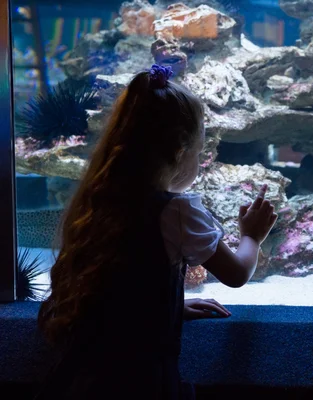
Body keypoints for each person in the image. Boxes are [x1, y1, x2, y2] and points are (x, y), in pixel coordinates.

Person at [35, 65, 278, 400]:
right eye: (200, 150)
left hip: (80, 378)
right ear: (180, 151)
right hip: (142, 382)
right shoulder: (177, 210)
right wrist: (251, 235)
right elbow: (235, 274)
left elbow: (110, 290)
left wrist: (167, 308)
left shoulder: (97, 201)